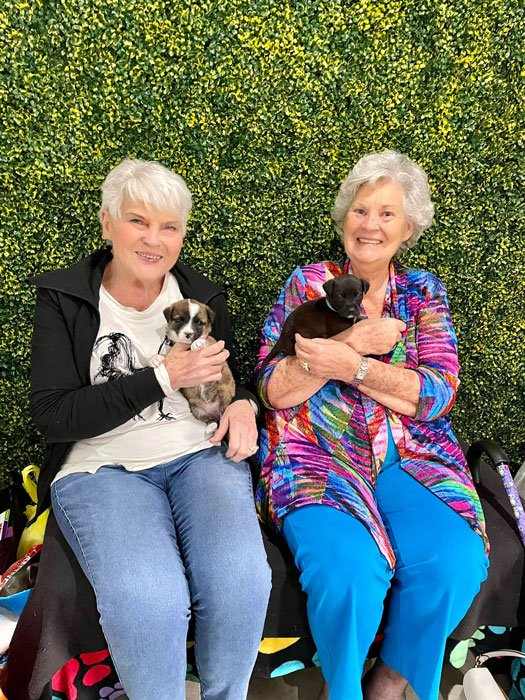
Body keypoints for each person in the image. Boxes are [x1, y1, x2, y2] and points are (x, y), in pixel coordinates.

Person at [28, 158, 271, 700]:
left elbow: (237, 380)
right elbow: (53, 414)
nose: (154, 240)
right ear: (107, 222)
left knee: (241, 583)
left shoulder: (204, 298)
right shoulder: (64, 300)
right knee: (150, 599)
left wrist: (246, 407)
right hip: (101, 469)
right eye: (138, 221)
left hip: (199, 455)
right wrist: (163, 377)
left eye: (170, 227)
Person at [255, 150, 489, 700]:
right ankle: (343, 691)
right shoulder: (309, 284)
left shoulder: (422, 293)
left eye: (387, 214)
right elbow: (273, 386)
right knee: (349, 573)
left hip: (415, 459)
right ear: (344, 222)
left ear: (408, 229)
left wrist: (353, 370)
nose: (371, 225)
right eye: (361, 211)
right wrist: (352, 344)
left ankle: (388, 682)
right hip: (317, 456)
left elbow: (437, 393)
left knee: (453, 563)